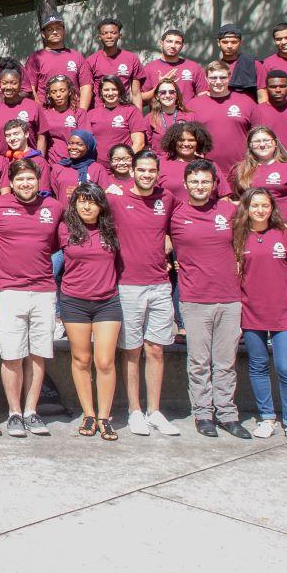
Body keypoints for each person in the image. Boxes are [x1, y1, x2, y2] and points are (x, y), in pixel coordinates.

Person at [172, 160, 250, 439]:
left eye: (205, 181)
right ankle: (203, 413)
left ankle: (228, 414)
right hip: (194, 299)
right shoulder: (176, 214)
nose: (200, 186)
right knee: (199, 362)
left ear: (215, 184)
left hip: (229, 297)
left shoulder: (230, 211)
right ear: (185, 184)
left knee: (226, 361)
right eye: (194, 182)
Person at [0, 158, 63, 436]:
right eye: (20, 179)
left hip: (43, 291)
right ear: (11, 183)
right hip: (9, 290)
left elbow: (56, 244)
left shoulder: (53, 208)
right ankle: (14, 413)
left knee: (38, 354)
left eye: (30, 178)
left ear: (38, 180)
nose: (25, 184)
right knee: (12, 355)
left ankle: (31, 411)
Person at [110, 152, 178, 436]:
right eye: (141, 170)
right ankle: (134, 410)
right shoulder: (116, 197)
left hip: (160, 284)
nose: (147, 174)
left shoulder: (168, 199)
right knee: (132, 350)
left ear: (158, 172)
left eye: (151, 170)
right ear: (133, 171)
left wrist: (168, 243)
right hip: (128, 285)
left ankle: (155, 410)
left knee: (156, 349)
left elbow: (177, 227)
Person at [234, 188, 287, 443]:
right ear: (247, 209)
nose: (260, 210)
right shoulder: (239, 236)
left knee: (286, 367)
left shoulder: (284, 234)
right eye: (255, 206)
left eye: (265, 205)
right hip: (252, 310)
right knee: (258, 365)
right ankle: (266, 416)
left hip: (284, 311)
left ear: (272, 208)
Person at [58, 183, 123, 440]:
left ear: (101, 205)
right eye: (81, 201)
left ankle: (104, 417)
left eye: (93, 201)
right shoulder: (64, 230)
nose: (87, 206)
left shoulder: (112, 229)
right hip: (74, 301)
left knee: (105, 361)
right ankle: (88, 413)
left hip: (107, 301)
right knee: (81, 359)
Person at [185, 61, 256, 173]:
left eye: (222, 77)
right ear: (206, 79)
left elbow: (257, 134)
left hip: (241, 170)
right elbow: (186, 137)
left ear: (229, 77)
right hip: (205, 170)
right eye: (213, 78)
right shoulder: (193, 105)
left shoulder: (246, 102)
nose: (218, 82)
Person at [230, 126, 287, 209]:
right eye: (257, 141)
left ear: (276, 143)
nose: (262, 145)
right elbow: (233, 201)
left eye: (267, 140)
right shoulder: (239, 170)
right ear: (250, 145)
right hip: (254, 220)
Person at [23, 14, 89, 108]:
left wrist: (82, 112)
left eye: (58, 28)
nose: (55, 32)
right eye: (50, 29)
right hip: (47, 114)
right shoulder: (35, 58)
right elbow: (30, 89)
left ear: (64, 31)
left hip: (73, 114)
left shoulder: (76, 56)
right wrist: (41, 114)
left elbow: (85, 86)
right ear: (43, 34)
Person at [140, 28, 204, 108]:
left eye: (177, 43)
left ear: (182, 46)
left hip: (187, 118)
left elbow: (203, 96)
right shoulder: (149, 68)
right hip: (159, 117)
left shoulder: (194, 67)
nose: (173, 46)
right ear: (161, 43)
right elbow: (141, 99)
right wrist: (159, 85)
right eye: (169, 41)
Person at [82, 77, 145, 157]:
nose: (110, 93)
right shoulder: (91, 114)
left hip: (122, 165)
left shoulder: (131, 111)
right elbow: (86, 143)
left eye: (114, 89)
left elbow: (139, 143)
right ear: (101, 92)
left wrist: (125, 161)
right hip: (98, 165)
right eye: (106, 90)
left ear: (120, 91)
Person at [0, 64, 42, 150]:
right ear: (0, 86)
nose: (8, 87)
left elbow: (41, 136)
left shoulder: (34, 107)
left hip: (28, 161)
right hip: (3, 161)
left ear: (20, 85)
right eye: (4, 83)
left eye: (13, 83)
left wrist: (39, 159)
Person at [213, 22, 262, 101]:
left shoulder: (254, 64)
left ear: (240, 42)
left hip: (248, 110)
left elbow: (262, 95)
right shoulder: (214, 68)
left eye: (234, 42)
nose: (229, 46)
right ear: (218, 43)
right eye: (225, 42)